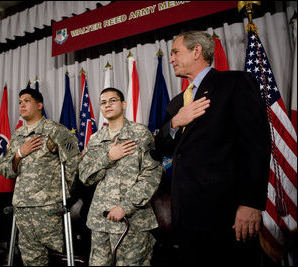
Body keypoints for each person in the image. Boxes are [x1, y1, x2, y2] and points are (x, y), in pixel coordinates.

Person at [150, 31, 271, 265]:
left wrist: (251, 203)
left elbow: (256, 145)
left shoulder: (235, 83)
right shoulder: (177, 103)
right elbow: (159, 149)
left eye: (176, 52)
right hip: (185, 214)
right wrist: (176, 122)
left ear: (197, 51)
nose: (171, 58)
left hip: (226, 213)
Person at [79, 87, 162, 266]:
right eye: (103, 102)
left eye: (112, 100)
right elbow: (85, 176)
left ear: (124, 104)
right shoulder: (95, 139)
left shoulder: (140, 133)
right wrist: (109, 157)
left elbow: (151, 175)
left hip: (132, 222)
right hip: (100, 222)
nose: (107, 105)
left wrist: (125, 206)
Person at [0, 88, 79, 265]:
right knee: (31, 258)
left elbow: (73, 163)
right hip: (22, 205)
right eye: (20, 102)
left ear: (39, 105)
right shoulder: (18, 135)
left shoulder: (55, 130)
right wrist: (19, 153)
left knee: (55, 255)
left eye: (26, 101)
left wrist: (61, 191)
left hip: (48, 206)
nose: (22, 105)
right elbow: (5, 169)